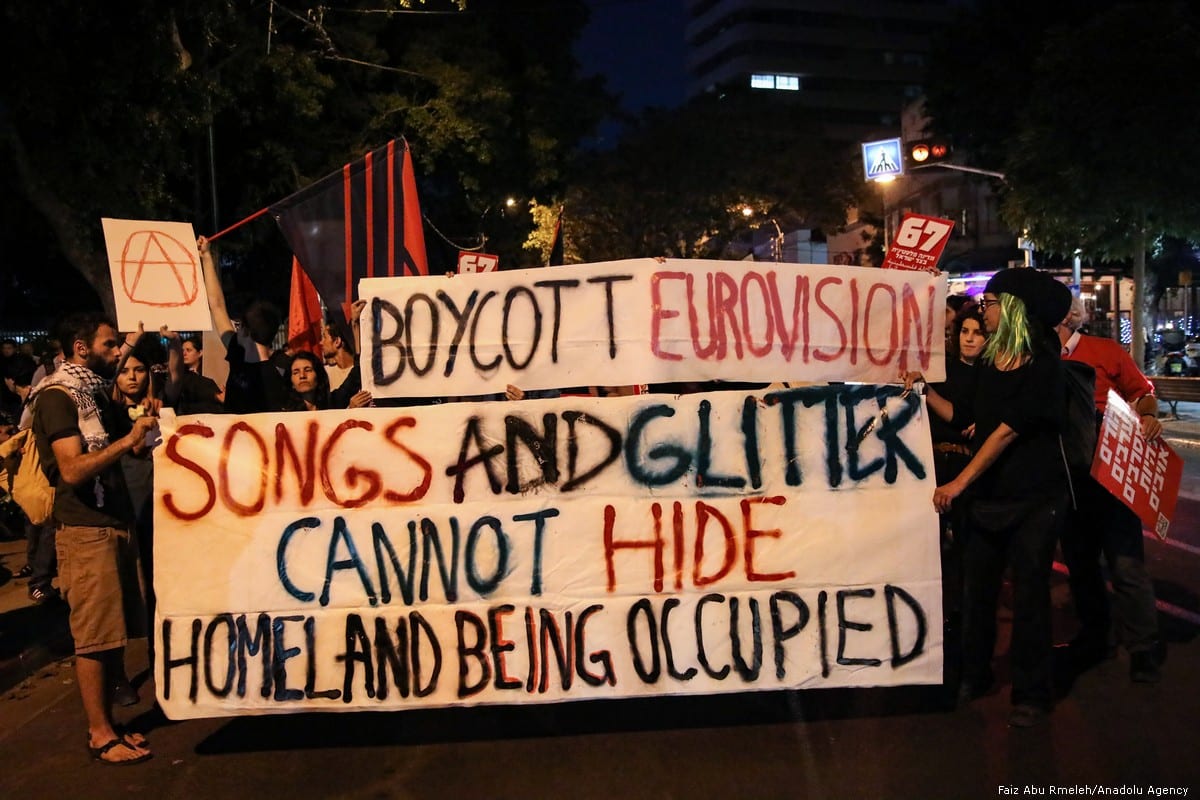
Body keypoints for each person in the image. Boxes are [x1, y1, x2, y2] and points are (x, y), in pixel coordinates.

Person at [911, 268, 1072, 728]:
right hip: (988, 499)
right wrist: (922, 391)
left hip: (1034, 501)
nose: (986, 309)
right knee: (976, 594)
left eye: (993, 301)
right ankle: (973, 674)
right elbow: (967, 417)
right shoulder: (987, 364)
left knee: (1030, 596)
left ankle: (1032, 692)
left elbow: (1004, 432)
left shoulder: (1044, 366)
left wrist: (958, 484)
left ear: (1016, 308)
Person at [30, 312, 158, 764]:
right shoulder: (60, 398)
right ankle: (101, 734)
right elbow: (72, 469)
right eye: (110, 346)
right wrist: (128, 442)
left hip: (109, 525)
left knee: (113, 631)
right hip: (85, 531)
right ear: (82, 349)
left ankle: (110, 725)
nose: (118, 354)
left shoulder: (88, 389)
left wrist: (138, 334)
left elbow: (114, 361)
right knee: (95, 636)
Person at [1056, 296, 1167, 683]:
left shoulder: (1105, 351)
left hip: (1112, 474)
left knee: (1126, 564)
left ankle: (1143, 647)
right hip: (1070, 477)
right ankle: (1094, 634)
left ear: (1067, 316)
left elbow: (1142, 391)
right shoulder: (1037, 359)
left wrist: (1149, 415)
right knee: (1081, 565)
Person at [198, 235, 289, 414]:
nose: (235, 327)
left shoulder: (274, 370)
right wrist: (206, 257)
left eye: (239, 325)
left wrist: (207, 257)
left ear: (246, 331)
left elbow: (217, 306)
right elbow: (216, 304)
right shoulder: (242, 353)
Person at [4, 353, 59, 601]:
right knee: (45, 527)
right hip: (38, 481)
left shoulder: (32, 404)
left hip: (33, 480)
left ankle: (36, 574)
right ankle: (39, 579)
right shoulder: (36, 403)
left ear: (10, 380)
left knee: (39, 526)